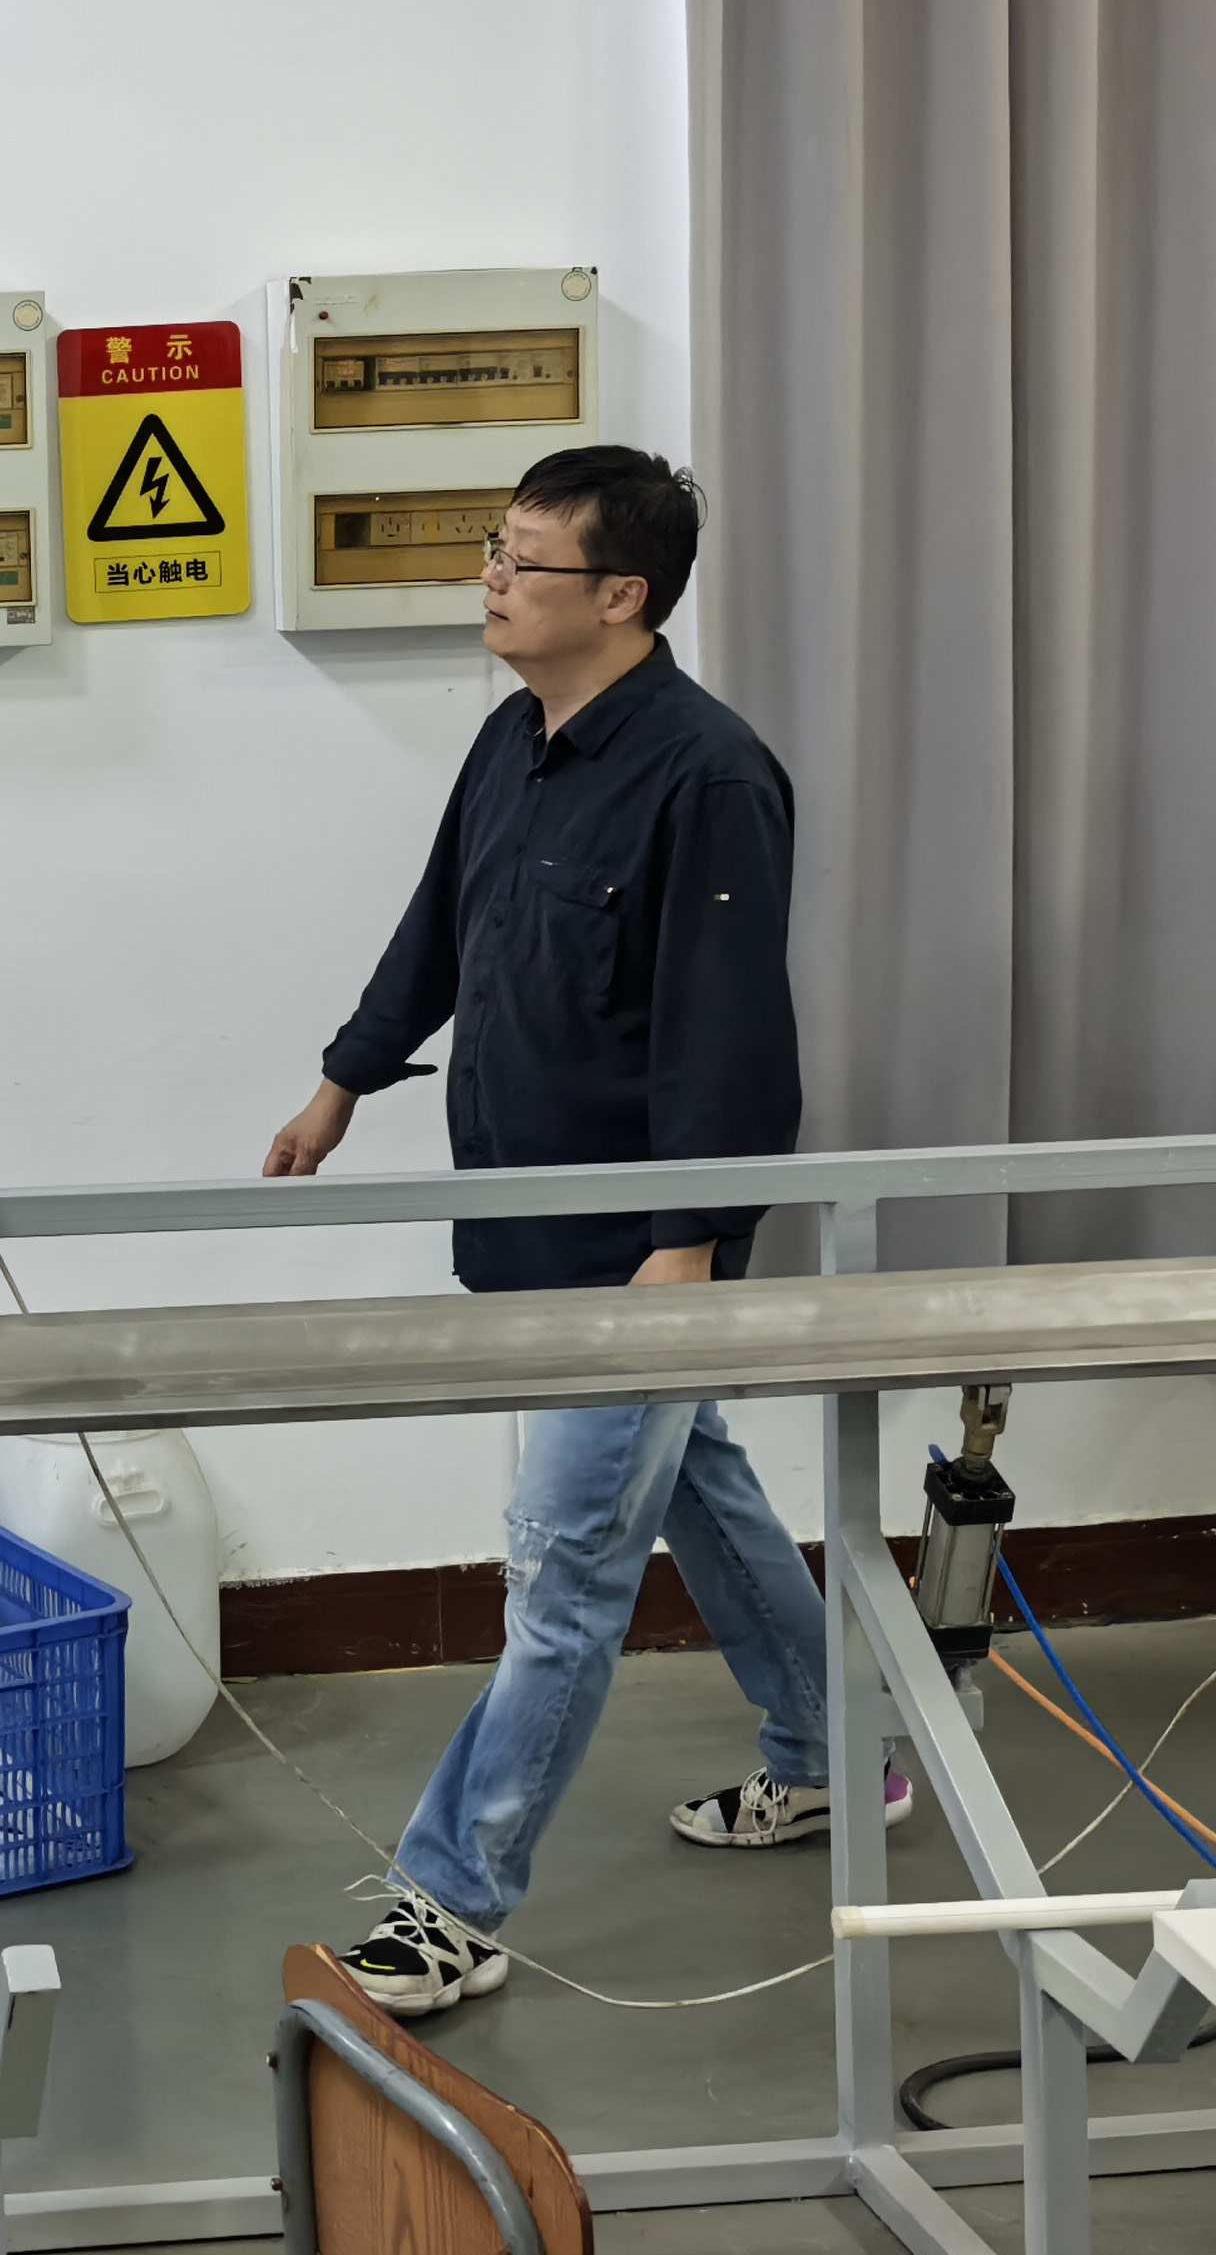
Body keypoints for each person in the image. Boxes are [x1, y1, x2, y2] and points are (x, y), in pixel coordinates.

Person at [260, 446, 895, 2016]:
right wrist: (344, 1083)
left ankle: (452, 1902)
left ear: (622, 595)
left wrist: (688, 1242)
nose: (491, 581)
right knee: (694, 1486)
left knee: (561, 1574)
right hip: (526, 1220)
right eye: (493, 549)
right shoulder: (515, 741)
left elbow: (732, 1038)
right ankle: (840, 1747)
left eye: (523, 561)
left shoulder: (710, 776)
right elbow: (440, 930)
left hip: (636, 1247)